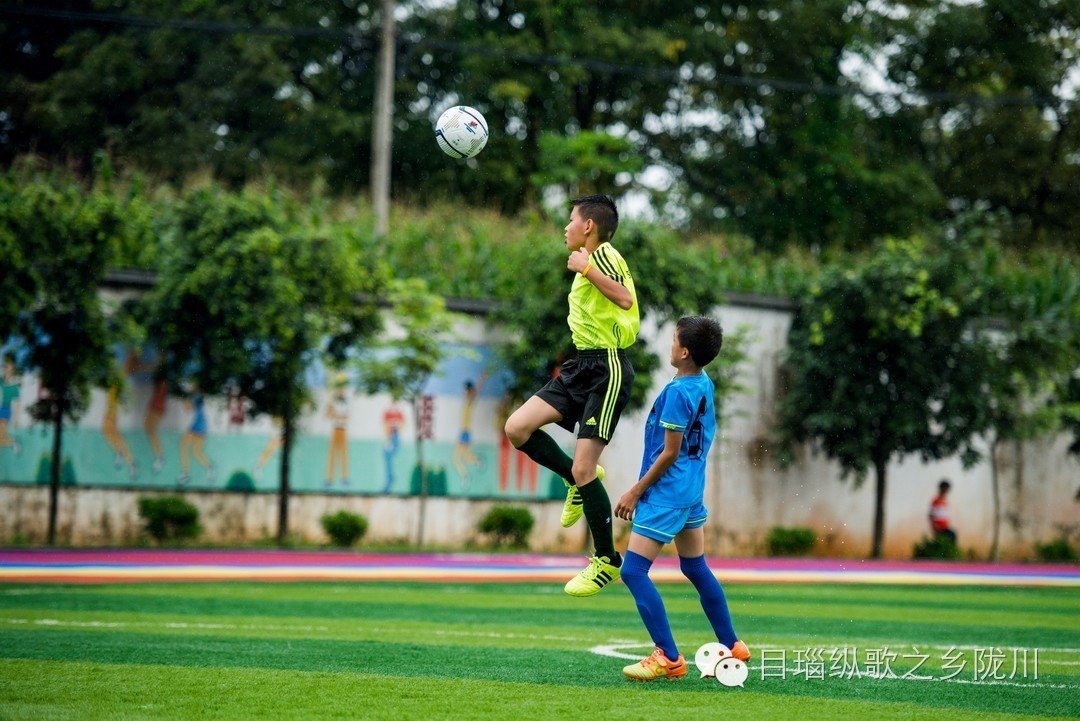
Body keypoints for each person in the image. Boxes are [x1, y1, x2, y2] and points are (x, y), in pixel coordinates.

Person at [504, 194, 638, 597]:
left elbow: (625, 299)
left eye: (571, 220)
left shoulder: (603, 255)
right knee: (517, 428)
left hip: (607, 368)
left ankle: (606, 560)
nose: (566, 228)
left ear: (589, 226)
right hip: (581, 365)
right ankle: (575, 480)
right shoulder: (589, 258)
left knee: (584, 468)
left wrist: (587, 268)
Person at [614, 316, 750, 681]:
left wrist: (635, 490)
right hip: (691, 489)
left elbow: (670, 452)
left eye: (674, 340)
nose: (671, 345)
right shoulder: (704, 382)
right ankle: (733, 644)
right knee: (694, 567)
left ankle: (669, 657)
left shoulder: (677, 393)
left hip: (667, 494)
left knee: (633, 571)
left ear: (685, 351)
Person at [929, 479, 957, 544]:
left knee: (952, 536)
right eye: (945, 489)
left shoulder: (945, 501)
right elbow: (931, 515)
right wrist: (934, 526)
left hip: (945, 527)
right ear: (941, 488)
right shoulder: (936, 501)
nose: (946, 491)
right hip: (939, 528)